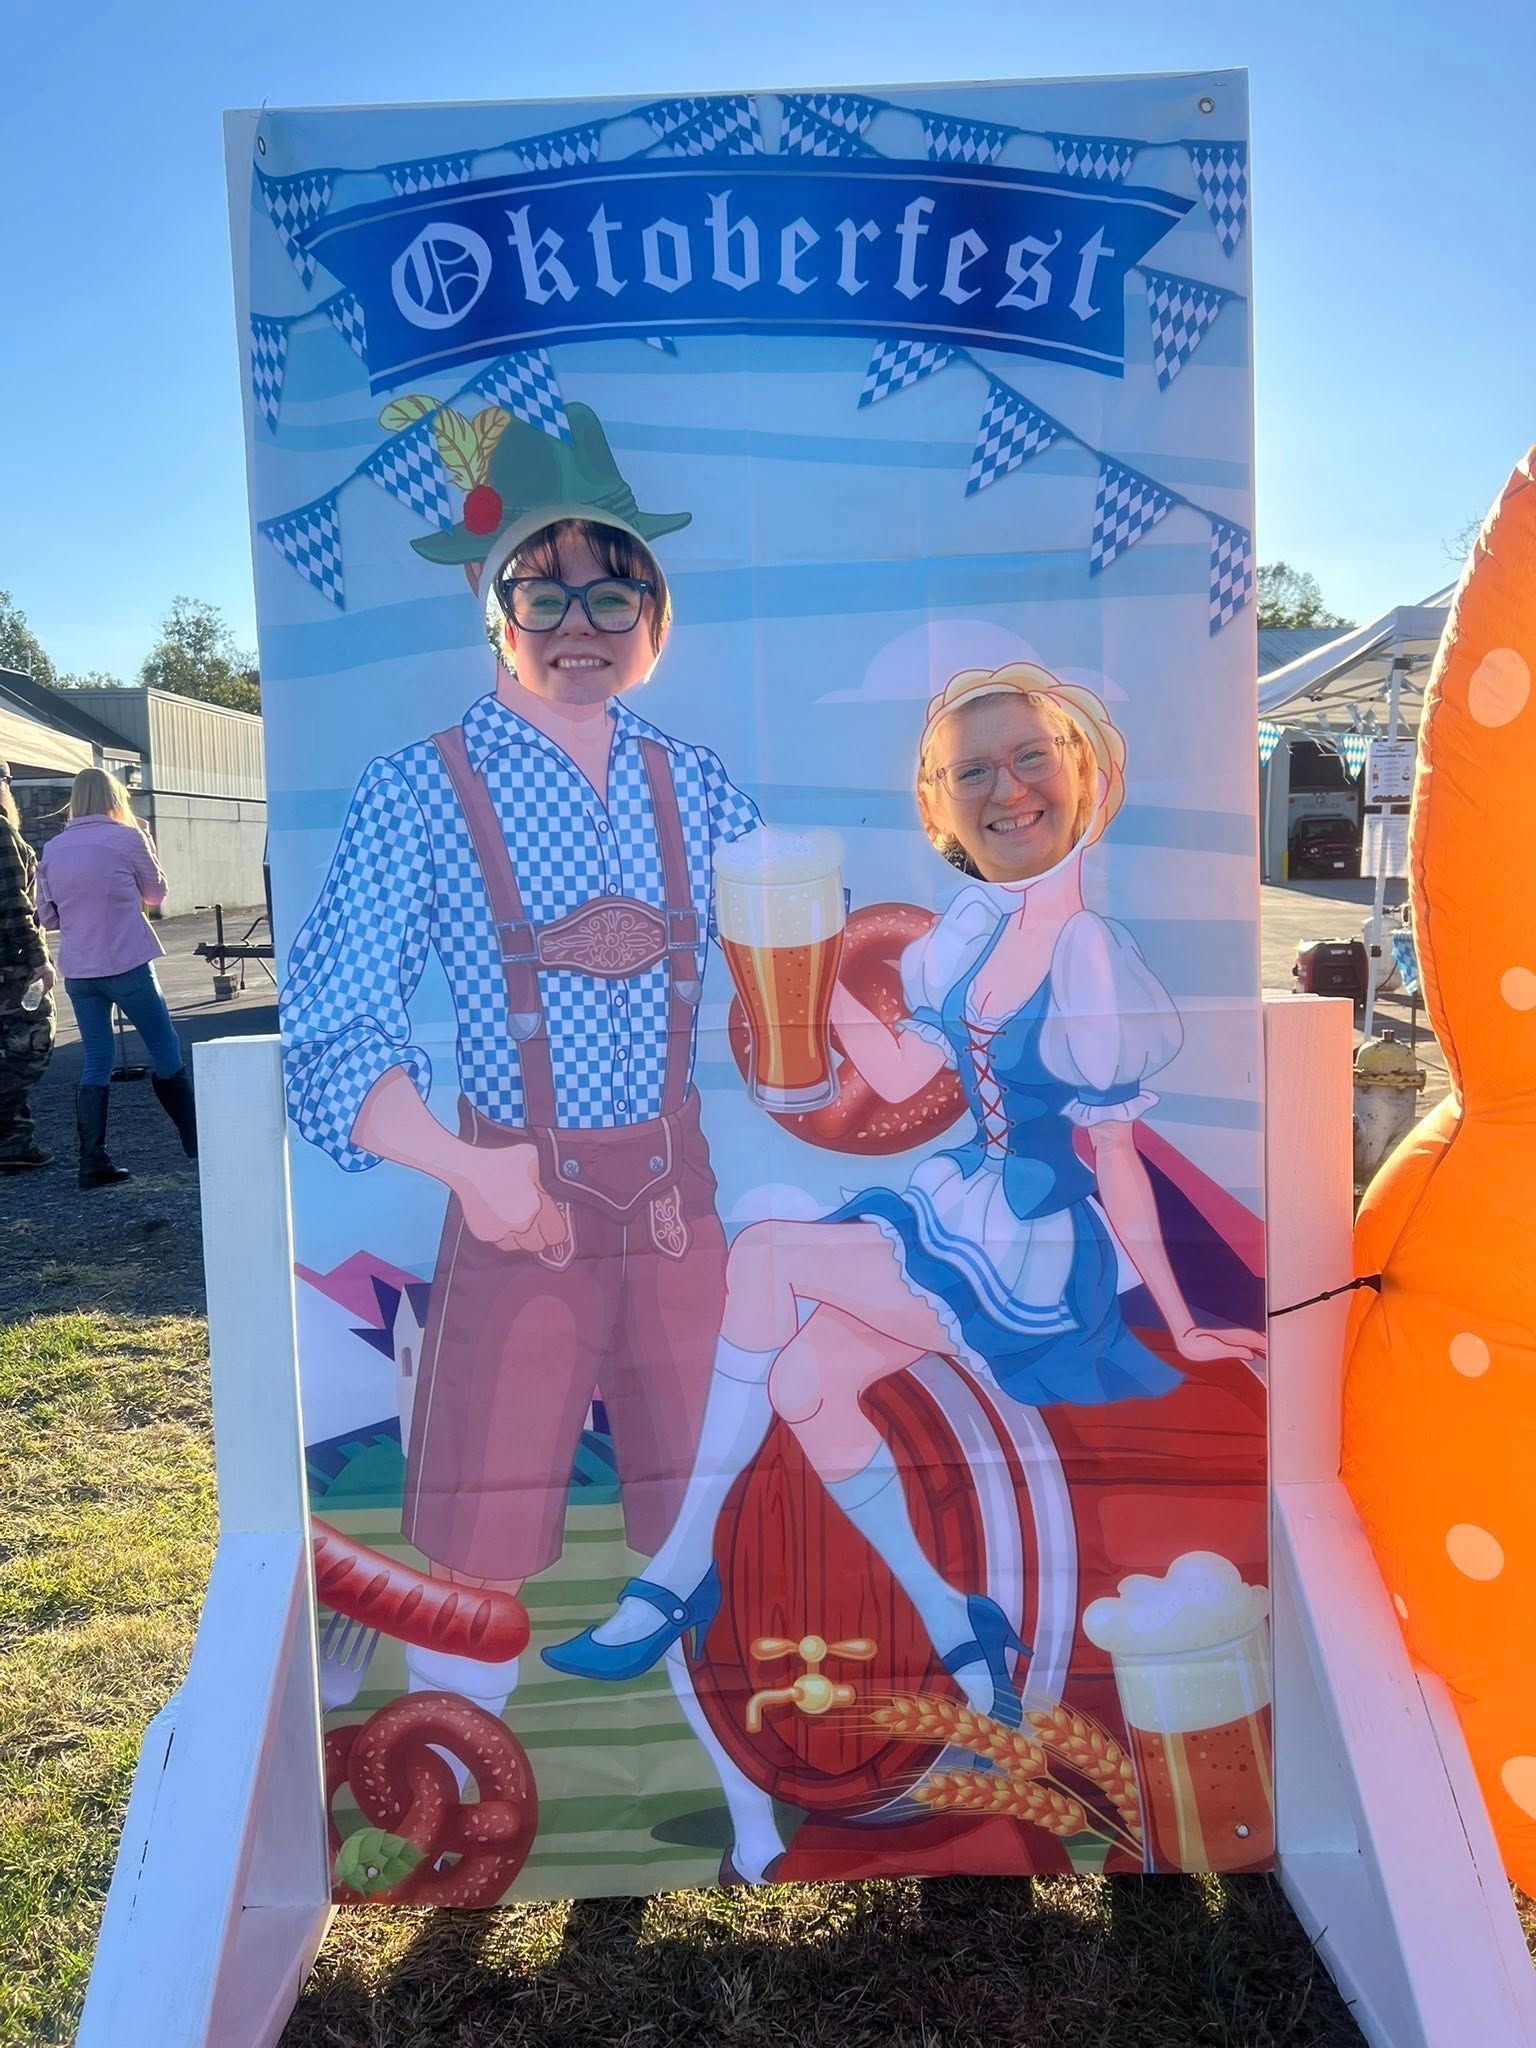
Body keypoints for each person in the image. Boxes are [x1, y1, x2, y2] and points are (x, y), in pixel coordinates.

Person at [550, 666, 1267, 1744]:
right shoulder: (972, 927)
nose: (1009, 788)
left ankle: (677, 1565)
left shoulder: (1088, 952)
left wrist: (1175, 1304)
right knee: (802, 1379)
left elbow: (1114, 1153)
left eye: (1033, 755)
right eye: (973, 770)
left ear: (1088, 771)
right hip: (967, 1206)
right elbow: (895, 1075)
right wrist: (804, 959)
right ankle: (956, 1616)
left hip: (1034, 1242)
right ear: (943, 802)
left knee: (767, 1259)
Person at [282, 403, 760, 1732]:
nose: (579, 624)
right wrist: (464, 1169)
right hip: (511, 1195)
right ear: (492, 613)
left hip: (678, 1200)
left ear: (654, 622)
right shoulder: (418, 788)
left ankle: (746, 1805)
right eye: (539, 592)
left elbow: (795, 971)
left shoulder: (702, 784)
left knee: (701, 1518)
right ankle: (453, 1793)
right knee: (477, 1536)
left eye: (614, 595)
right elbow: (333, 1030)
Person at [35, 768, 198, 1189]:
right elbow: (156, 894)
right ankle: (195, 1142)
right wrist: (146, 842)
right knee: (165, 1050)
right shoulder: (128, 837)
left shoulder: (53, 848)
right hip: (127, 962)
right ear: (115, 797)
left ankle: (92, 1160)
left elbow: (47, 916)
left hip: (80, 970)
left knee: (96, 1061)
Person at [0, 758, 57, 1170]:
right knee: (33, 1044)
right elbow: (14, 904)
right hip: (11, 964)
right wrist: (40, 959)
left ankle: (16, 1143)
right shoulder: (1, 831)